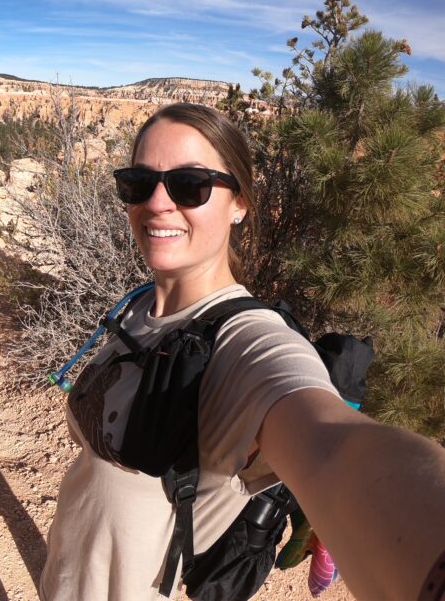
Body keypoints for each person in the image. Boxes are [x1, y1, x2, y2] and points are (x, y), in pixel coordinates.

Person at [38, 102, 445, 600]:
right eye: (139, 182)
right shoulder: (142, 305)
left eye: (191, 184)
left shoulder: (249, 343)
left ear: (239, 203)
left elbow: (331, 445)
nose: (158, 203)